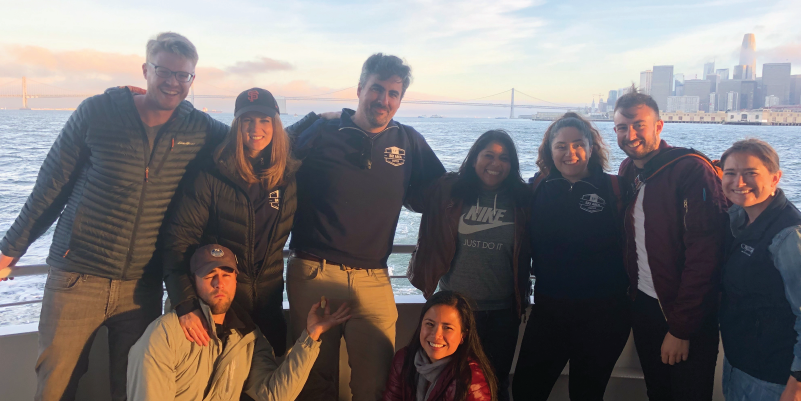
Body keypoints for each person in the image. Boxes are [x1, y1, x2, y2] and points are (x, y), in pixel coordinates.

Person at [0, 33, 322, 401]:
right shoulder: (98, 111)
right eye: (163, 72)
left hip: (142, 285)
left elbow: (253, 140)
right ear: (145, 69)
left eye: (182, 75)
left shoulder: (196, 126)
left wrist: (318, 119)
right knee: (57, 385)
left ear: (192, 80)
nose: (172, 82)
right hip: (78, 275)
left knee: (131, 386)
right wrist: (10, 250)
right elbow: (50, 186)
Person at [287, 53, 445, 400]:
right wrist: (314, 117)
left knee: (376, 385)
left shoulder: (408, 141)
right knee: (313, 381)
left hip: (373, 279)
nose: (384, 100)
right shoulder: (324, 132)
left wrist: (493, 181)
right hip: (314, 273)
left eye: (393, 93)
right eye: (377, 89)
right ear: (360, 89)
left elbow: (439, 191)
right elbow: (273, 157)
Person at [162, 87, 300, 357]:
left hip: (269, 302)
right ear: (237, 125)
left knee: (267, 385)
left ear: (275, 125)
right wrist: (186, 304)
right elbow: (177, 242)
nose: (255, 128)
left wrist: (323, 117)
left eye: (264, 120)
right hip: (220, 305)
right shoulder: (211, 173)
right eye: (247, 120)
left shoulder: (286, 176)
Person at [614, 86, 728, 401]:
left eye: (638, 124)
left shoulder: (691, 169)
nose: (630, 134)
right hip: (644, 306)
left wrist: (681, 329)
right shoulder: (629, 171)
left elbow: (705, 255)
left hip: (684, 312)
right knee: (658, 391)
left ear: (659, 126)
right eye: (622, 127)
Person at [127, 244, 351, 401]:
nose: (219, 283)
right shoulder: (165, 335)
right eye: (209, 275)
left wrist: (310, 337)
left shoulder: (249, 337)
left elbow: (274, 395)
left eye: (226, 274)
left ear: (235, 280)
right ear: (193, 282)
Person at [512, 112, 631, 400]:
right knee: (525, 390)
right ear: (549, 151)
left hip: (605, 314)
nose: (570, 153)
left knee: (586, 394)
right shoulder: (538, 188)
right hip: (549, 310)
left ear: (592, 148)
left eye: (579, 144)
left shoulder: (616, 188)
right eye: (561, 146)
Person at [408, 129, 530, 400]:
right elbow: (408, 194)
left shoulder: (523, 199)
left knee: (495, 384)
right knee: (449, 382)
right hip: (454, 311)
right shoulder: (449, 190)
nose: (495, 164)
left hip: (502, 313)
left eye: (504, 158)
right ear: (474, 158)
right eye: (488, 155)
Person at [718, 139, 801, 401]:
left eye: (751, 173)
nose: (739, 182)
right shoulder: (739, 218)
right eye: (730, 173)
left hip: (773, 377)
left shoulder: (788, 235)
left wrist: (797, 385)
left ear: (776, 177)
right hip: (739, 363)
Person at [382, 291, 495, 401]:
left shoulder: (471, 380)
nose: (436, 335)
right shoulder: (403, 359)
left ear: (463, 335)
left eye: (447, 328)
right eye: (430, 324)